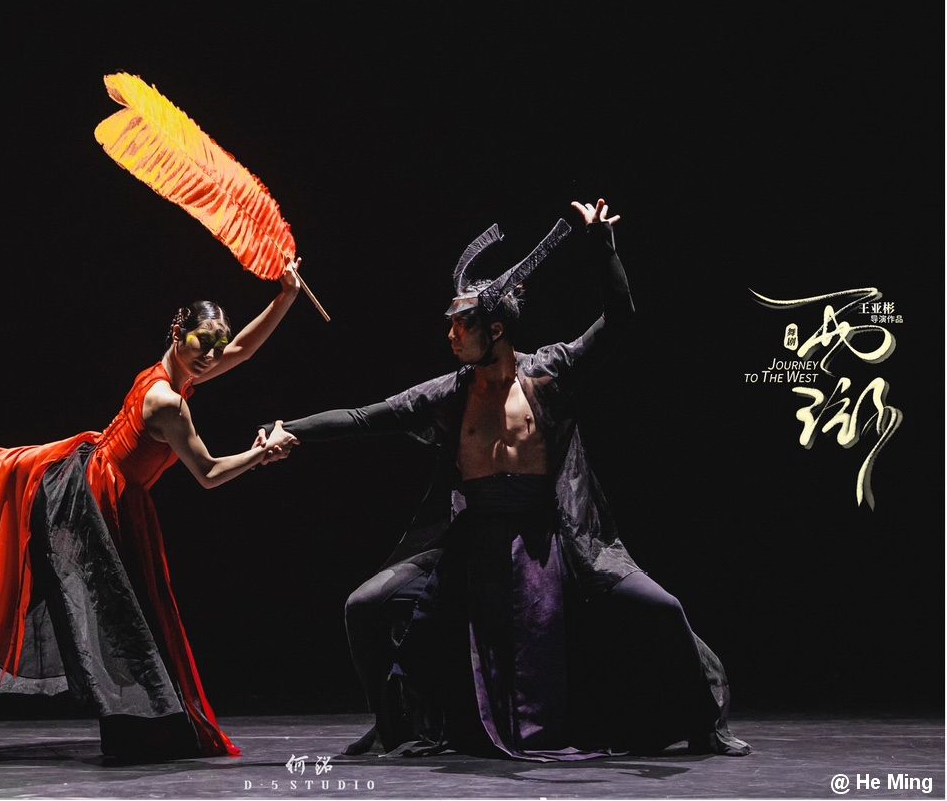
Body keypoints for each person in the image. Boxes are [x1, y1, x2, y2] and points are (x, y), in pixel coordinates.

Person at [261, 202, 750, 760]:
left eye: (461, 325)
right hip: (470, 540)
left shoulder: (550, 373)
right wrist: (289, 429)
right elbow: (362, 417)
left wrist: (602, 246)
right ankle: (396, 726)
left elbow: (620, 318)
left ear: (495, 330)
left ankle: (705, 723)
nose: (450, 334)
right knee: (365, 605)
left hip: (554, 538)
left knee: (660, 607)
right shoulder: (448, 395)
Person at [0, 260, 301, 761]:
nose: (214, 354)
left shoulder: (168, 369)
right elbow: (209, 473)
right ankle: (143, 729)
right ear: (179, 332)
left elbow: (240, 350)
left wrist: (286, 294)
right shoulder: (170, 404)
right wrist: (264, 452)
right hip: (93, 505)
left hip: (79, 468)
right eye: (205, 342)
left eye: (217, 344)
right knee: (117, 620)